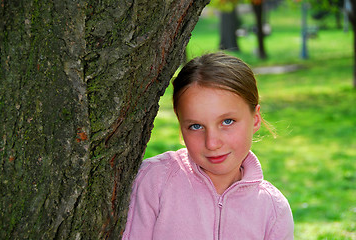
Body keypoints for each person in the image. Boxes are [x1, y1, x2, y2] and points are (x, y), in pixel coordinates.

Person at [122, 52, 294, 239]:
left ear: (255, 119)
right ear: (181, 126)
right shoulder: (154, 181)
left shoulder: (273, 210)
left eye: (227, 121)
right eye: (196, 126)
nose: (212, 143)